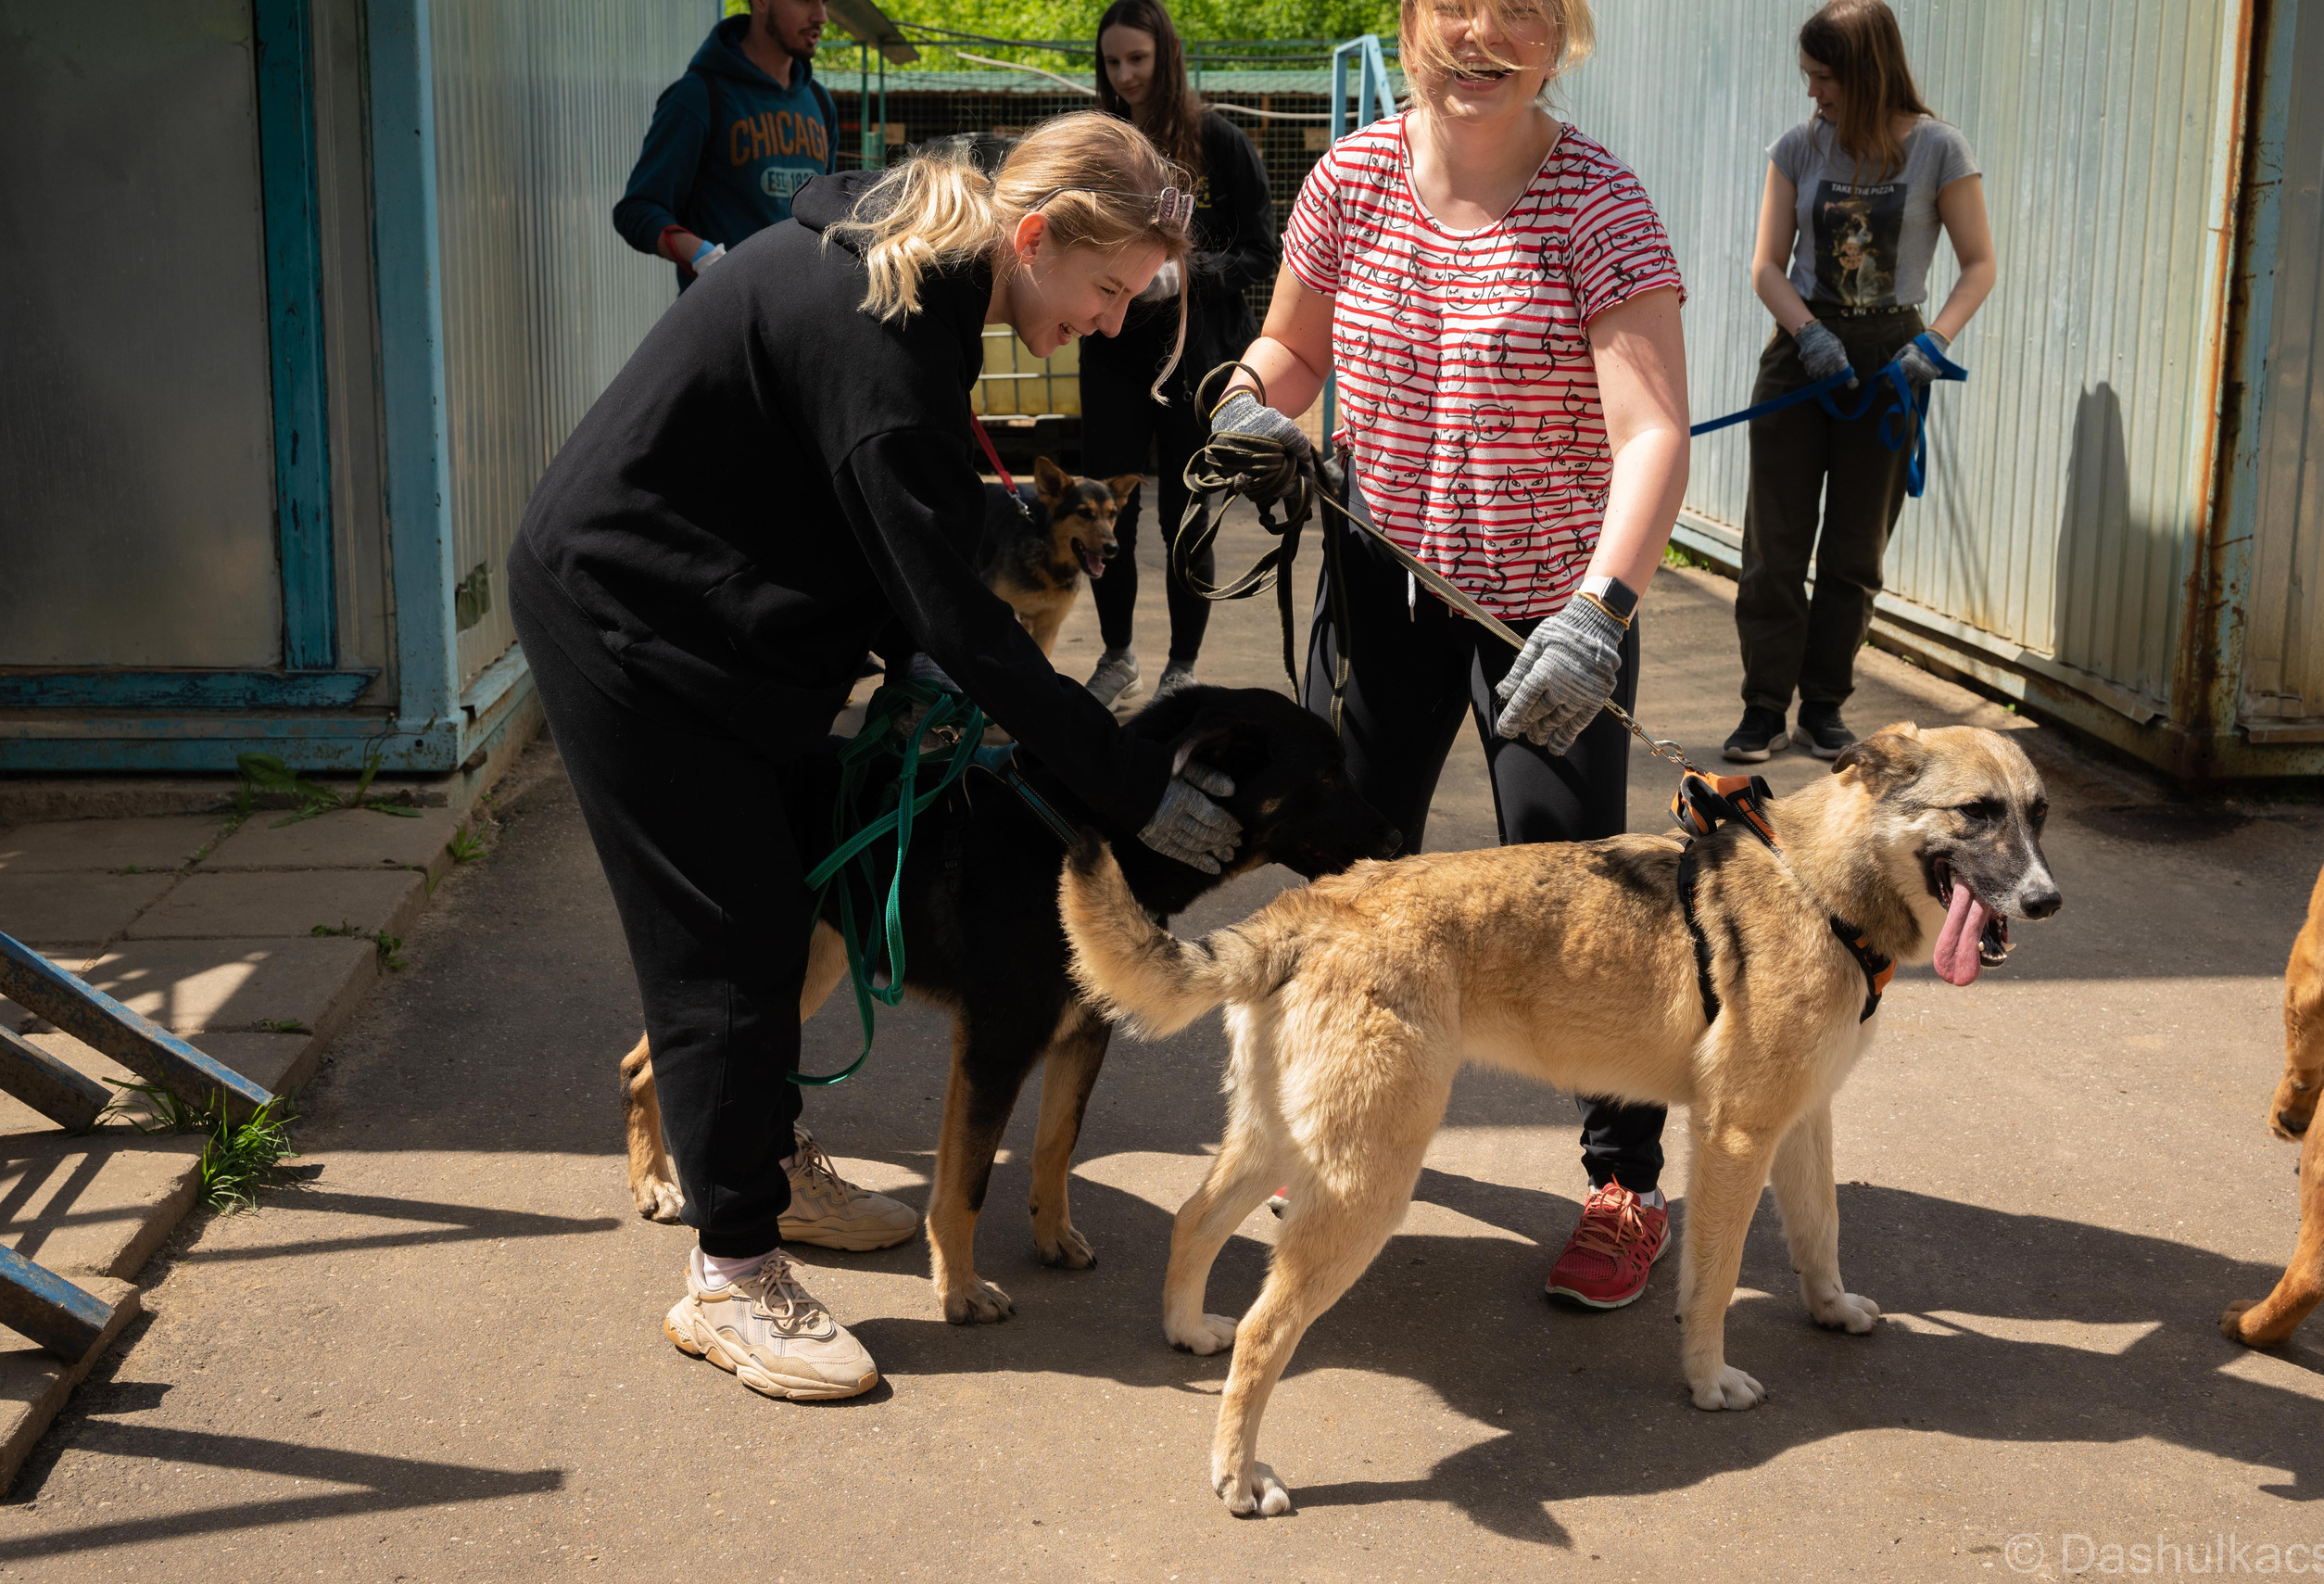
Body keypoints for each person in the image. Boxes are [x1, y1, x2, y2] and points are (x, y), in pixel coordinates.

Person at [513, 114, 1232, 1400]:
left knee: (791, 906)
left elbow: (917, 524)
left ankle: (767, 1162)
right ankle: (732, 1276)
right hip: (633, 623)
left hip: (731, 624)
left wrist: (927, 662)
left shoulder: (928, 275)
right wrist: (1124, 781)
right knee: (727, 941)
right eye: (1109, 289)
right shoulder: (889, 325)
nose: (1113, 323)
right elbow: (963, 614)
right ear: (1033, 239)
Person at [1208, 0, 1692, 1310]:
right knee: (1343, 874)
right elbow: (1294, 349)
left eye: (1523, 11)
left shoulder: (1599, 202)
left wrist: (1602, 611)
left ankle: (1625, 1181)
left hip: (1552, 605)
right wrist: (1251, 403)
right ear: (1409, 19)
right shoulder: (1350, 179)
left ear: (1565, 33)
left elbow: (1651, 435)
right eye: (1454, 9)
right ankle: (1316, 1129)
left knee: (1581, 914)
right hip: (1385, 583)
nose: (1484, 37)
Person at [1724, 0, 1995, 763]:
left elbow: (1980, 264)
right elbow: (1767, 266)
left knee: (1855, 549)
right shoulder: (1797, 148)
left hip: (1892, 357)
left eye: (1824, 77)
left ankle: (1825, 707)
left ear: (1866, 73)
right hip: (1802, 349)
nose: (1814, 93)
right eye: (1809, 77)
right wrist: (1807, 334)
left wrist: (1930, 343)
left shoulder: (1941, 149)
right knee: (1775, 542)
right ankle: (1762, 708)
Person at [1077, 0, 1280, 707]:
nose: (1126, 75)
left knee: (1185, 517)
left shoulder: (1215, 141)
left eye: (1138, 58)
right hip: (1110, 354)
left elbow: (1262, 250)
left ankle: (1181, 670)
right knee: (1106, 513)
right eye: (1112, 62)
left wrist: (1185, 274)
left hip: (1194, 362)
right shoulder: (1100, 148)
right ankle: (1117, 656)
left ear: (1165, 57)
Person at [613, 0, 840, 291]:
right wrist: (702, 255)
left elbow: (823, 214)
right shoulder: (698, 96)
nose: (821, 16)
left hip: (800, 318)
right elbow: (637, 210)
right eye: (805, 1)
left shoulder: (820, 103)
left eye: (824, 2)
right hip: (724, 322)